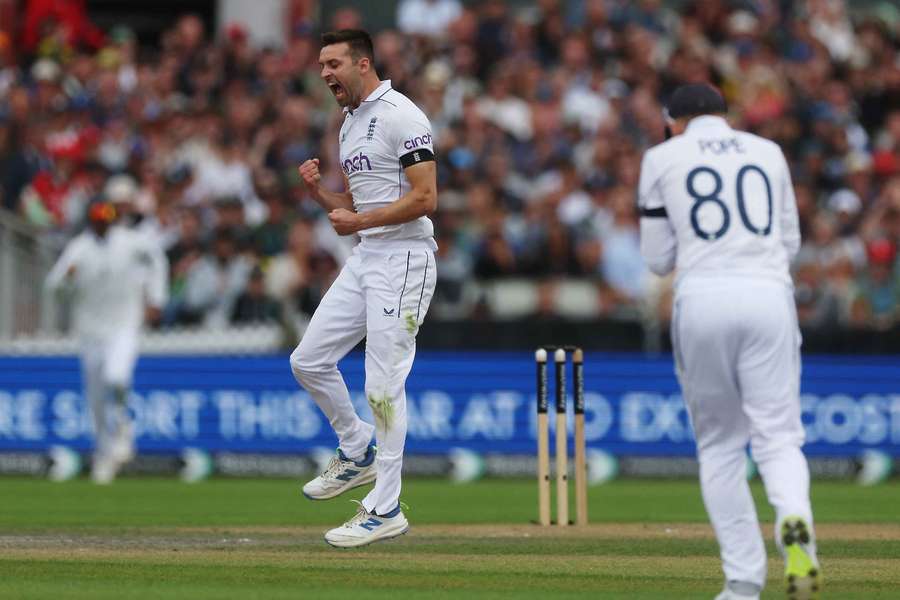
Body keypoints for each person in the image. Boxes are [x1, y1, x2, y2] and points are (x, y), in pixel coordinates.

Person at [638, 84, 820, 600]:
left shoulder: (661, 157)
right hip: (768, 295)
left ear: (675, 120)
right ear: (725, 114)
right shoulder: (769, 152)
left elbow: (656, 260)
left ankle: (743, 583)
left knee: (720, 446)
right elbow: (790, 242)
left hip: (702, 298)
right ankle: (794, 520)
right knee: (779, 436)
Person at [290, 29, 437, 548]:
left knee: (383, 386)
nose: (326, 73)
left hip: (405, 259)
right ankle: (357, 450)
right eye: (322, 64)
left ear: (363, 63)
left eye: (334, 63)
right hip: (367, 255)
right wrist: (318, 193)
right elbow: (353, 205)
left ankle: (386, 507)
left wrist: (360, 221)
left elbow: (425, 198)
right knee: (308, 360)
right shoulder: (350, 123)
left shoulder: (401, 114)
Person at [45, 199, 168, 484]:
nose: (104, 225)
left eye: (107, 221)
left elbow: (158, 259)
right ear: (91, 222)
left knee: (117, 377)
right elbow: (53, 285)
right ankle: (104, 454)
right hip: (90, 333)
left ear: (113, 221)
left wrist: (156, 298)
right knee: (96, 400)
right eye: (99, 221)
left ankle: (123, 433)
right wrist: (67, 280)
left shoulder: (130, 242)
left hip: (124, 326)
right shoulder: (79, 248)